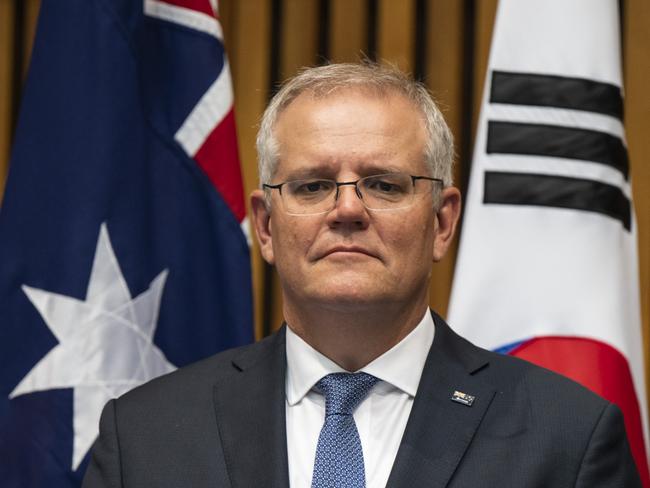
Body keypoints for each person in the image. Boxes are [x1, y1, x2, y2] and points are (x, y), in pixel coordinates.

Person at [83, 62, 641, 487]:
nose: (347, 209)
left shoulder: (568, 439)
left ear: (442, 222)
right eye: (311, 186)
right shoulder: (143, 438)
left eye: (384, 185)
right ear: (267, 227)